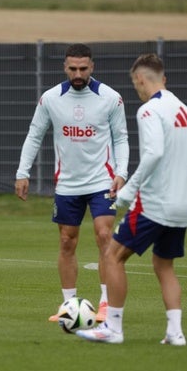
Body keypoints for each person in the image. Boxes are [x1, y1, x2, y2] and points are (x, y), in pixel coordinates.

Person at [77, 54, 187, 345]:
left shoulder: (149, 111)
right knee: (164, 265)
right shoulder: (182, 108)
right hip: (182, 205)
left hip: (155, 203)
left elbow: (154, 154)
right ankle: (175, 333)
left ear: (139, 79)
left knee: (113, 256)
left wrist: (128, 192)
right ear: (163, 78)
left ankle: (113, 329)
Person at [14, 43, 129, 322]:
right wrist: (22, 172)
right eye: (73, 68)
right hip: (67, 184)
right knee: (67, 241)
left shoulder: (110, 98)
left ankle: (104, 304)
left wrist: (121, 173)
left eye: (83, 68)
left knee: (104, 236)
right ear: (65, 67)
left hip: (102, 181)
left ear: (92, 67)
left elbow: (121, 138)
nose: (78, 73)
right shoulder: (51, 99)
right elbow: (34, 135)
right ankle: (69, 306)